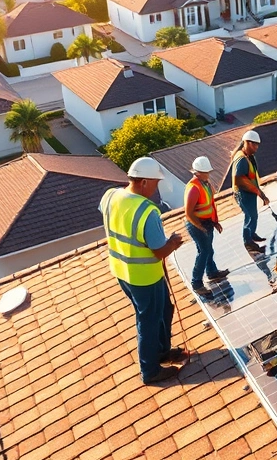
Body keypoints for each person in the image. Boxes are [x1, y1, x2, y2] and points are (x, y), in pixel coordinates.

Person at [100, 157, 186, 385]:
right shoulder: (148, 211)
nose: (157, 189)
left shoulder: (111, 196)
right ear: (145, 182)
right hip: (144, 276)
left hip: (121, 270)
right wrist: (173, 243)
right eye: (156, 183)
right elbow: (159, 251)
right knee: (148, 320)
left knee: (165, 308)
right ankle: (150, 371)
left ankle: (161, 351)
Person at [184, 156, 228, 295]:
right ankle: (196, 283)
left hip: (207, 222)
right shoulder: (193, 188)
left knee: (209, 250)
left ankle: (212, 272)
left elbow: (210, 204)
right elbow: (188, 213)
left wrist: (215, 222)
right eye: (206, 172)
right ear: (198, 172)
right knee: (203, 252)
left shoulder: (205, 184)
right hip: (197, 224)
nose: (208, 174)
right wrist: (200, 227)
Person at [231, 130, 269, 253]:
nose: (256, 147)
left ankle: (252, 234)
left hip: (250, 192)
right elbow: (239, 179)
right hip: (243, 193)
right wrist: (258, 192)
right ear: (246, 143)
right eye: (254, 144)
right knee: (250, 216)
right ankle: (248, 241)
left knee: (254, 215)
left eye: (257, 145)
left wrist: (259, 192)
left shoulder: (249, 157)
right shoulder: (241, 159)